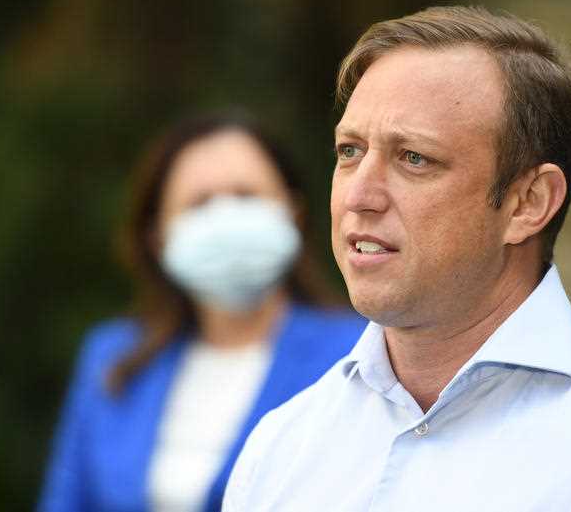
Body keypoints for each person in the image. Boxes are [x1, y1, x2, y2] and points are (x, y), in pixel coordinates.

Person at [223, 6, 571, 511]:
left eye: (414, 158)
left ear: (528, 203)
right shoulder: (281, 446)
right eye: (350, 151)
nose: (359, 195)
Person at [38, 112, 366, 512]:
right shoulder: (112, 358)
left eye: (246, 195)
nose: (225, 217)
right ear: (159, 238)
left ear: (293, 213)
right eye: (200, 203)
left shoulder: (359, 354)